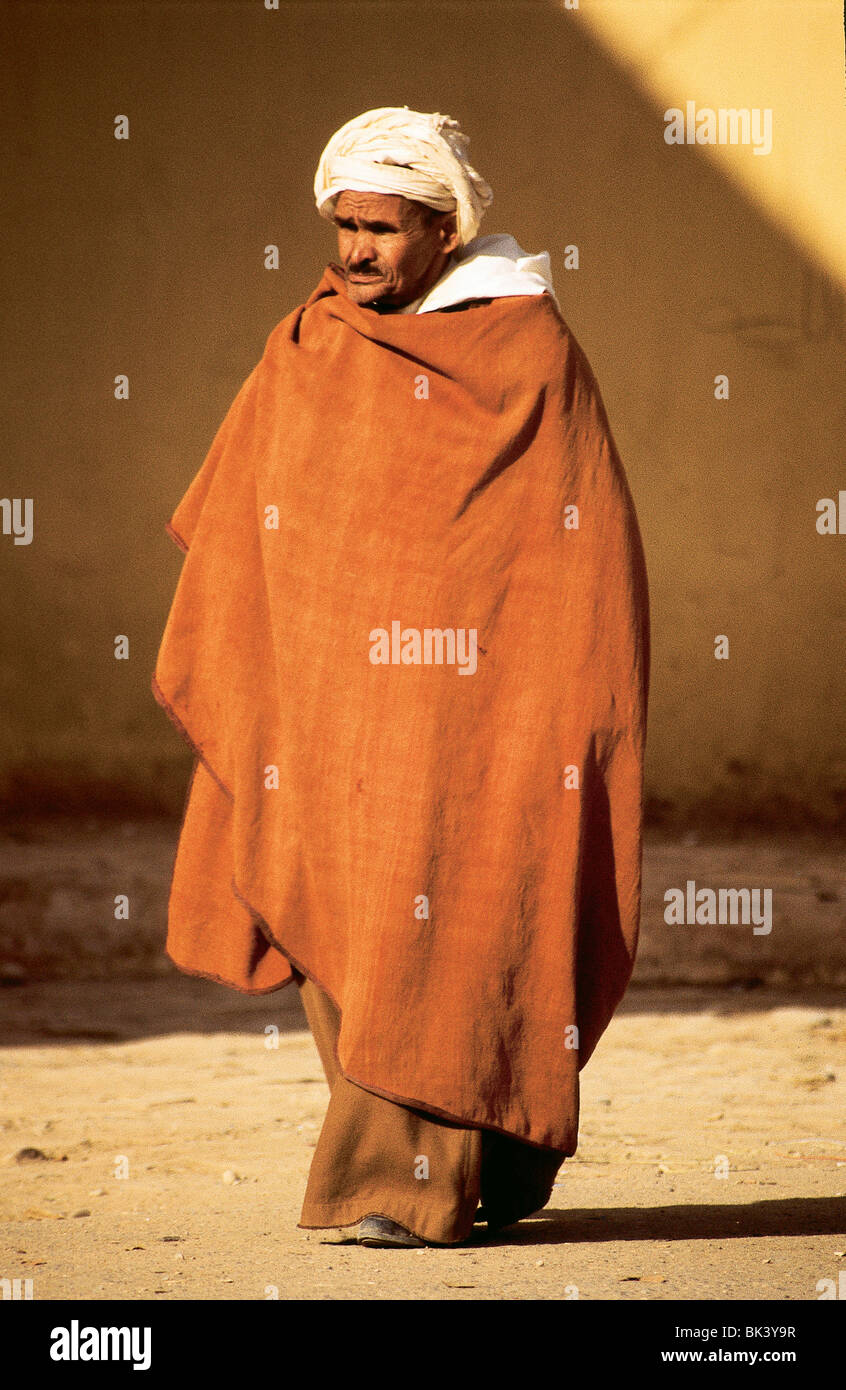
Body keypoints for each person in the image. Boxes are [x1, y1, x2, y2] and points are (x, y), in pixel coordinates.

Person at [152, 106, 650, 1250]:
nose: (356, 251)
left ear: (443, 228)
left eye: (382, 229)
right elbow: (249, 518)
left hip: (483, 713)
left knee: (468, 921)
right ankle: (487, 1165)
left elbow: (574, 554)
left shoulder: (526, 351)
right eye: (342, 226)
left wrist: (546, 704)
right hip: (335, 710)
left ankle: (401, 1183)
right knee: (353, 918)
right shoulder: (310, 344)